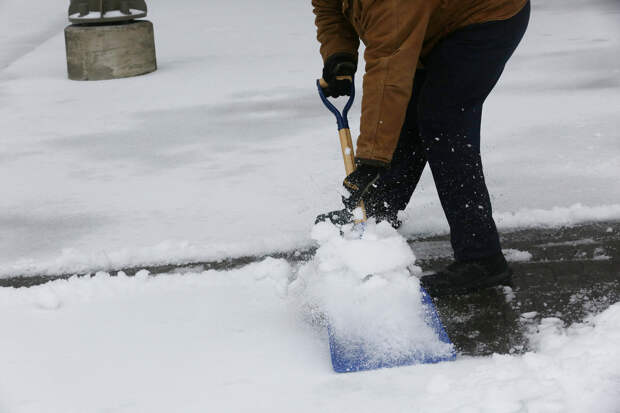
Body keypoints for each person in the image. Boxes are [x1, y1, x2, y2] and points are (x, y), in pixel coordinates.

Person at [313, 0, 530, 296]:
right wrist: (339, 54)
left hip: (485, 16)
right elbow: (328, 7)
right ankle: (377, 210)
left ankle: (482, 258)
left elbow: (389, 67)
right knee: (414, 111)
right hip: (431, 21)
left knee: (442, 118)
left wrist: (372, 159)